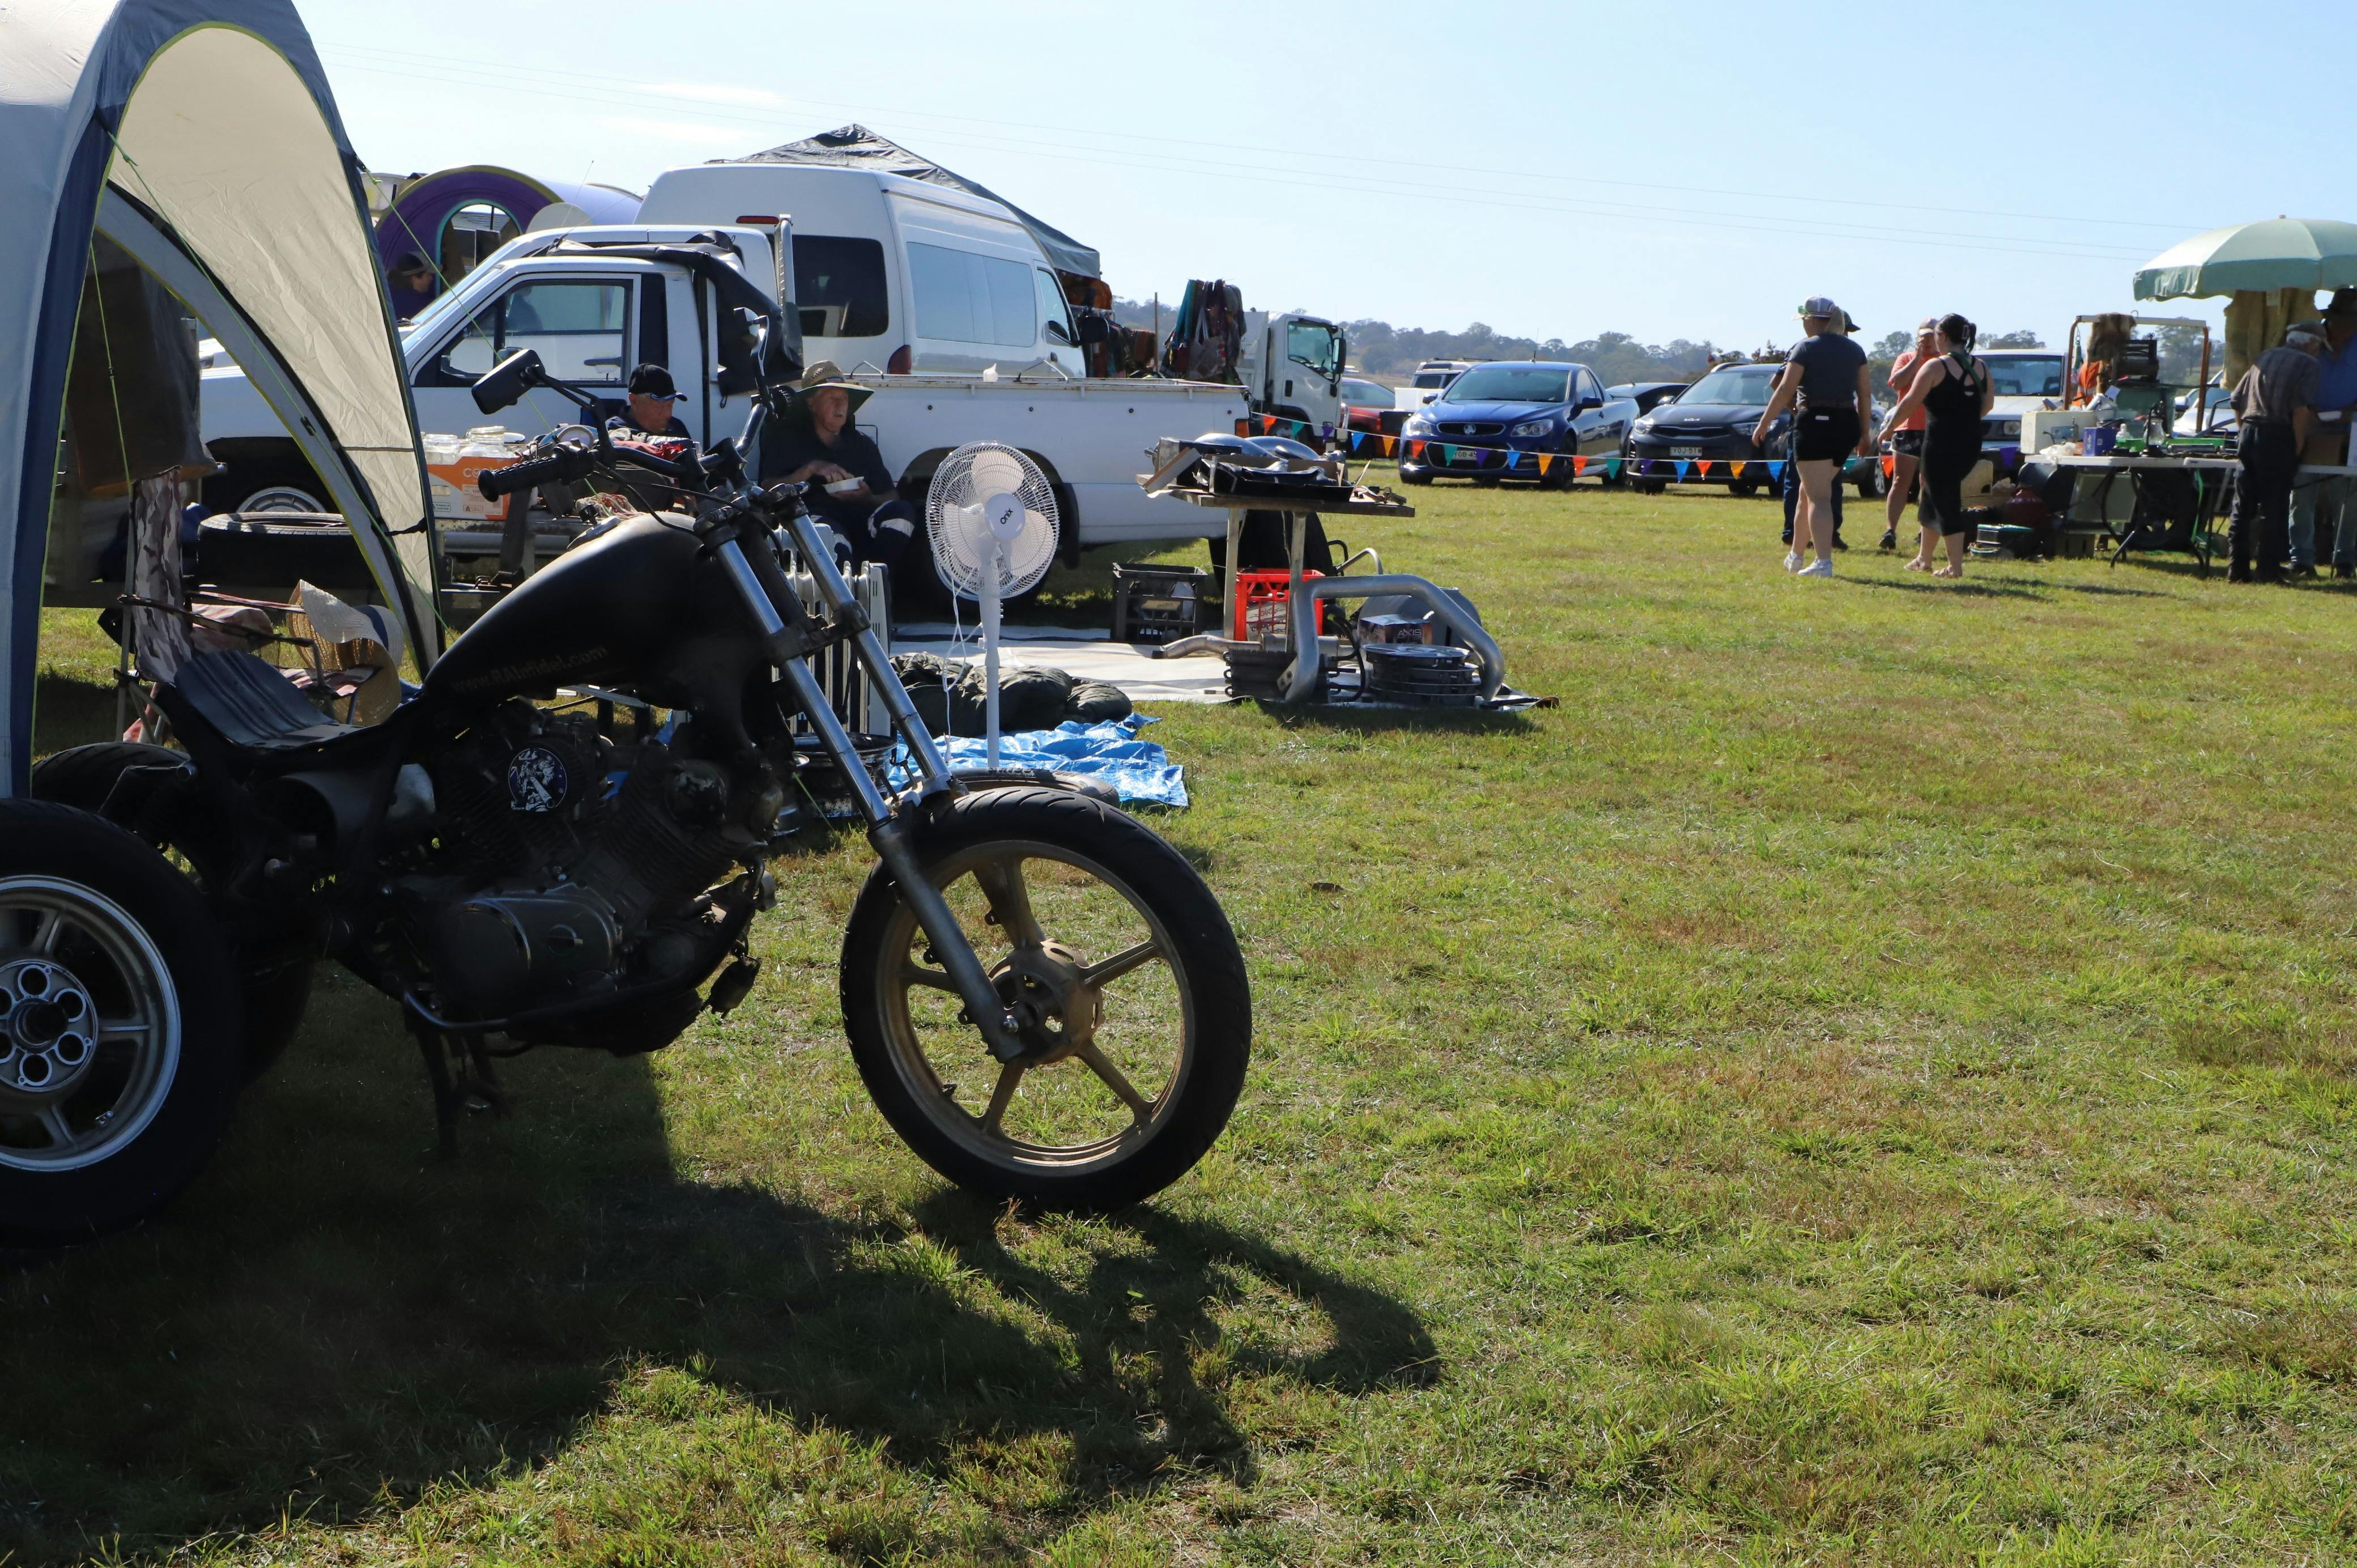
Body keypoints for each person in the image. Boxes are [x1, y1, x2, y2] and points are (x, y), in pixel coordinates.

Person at [1755, 296, 1872, 578]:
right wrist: (1865, 432)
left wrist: (1764, 423)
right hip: (1846, 423)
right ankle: (1796, 555)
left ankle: (1823, 562)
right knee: (1806, 493)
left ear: (1815, 320)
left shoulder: (1805, 347)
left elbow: (1784, 389)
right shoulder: (1855, 349)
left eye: (1806, 319)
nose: (1804, 325)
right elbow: (1865, 394)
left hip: (1815, 422)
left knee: (1819, 496)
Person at [759, 365, 918, 571]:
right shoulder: (789, 442)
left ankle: (875, 580)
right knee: (833, 537)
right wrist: (810, 469)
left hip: (862, 520)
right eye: (831, 398)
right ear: (812, 403)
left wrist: (867, 497)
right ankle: (845, 594)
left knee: (902, 513)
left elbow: (891, 495)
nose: (840, 405)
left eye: (843, 398)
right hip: (815, 519)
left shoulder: (861, 445)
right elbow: (767, 489)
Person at [1878, 314, 1991, 578]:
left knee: (1945, 500)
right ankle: (1923, 559)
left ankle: (1955, 566)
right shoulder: (1982, 367)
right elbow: (1987, 406)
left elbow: (1909, 403)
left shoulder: (1935, 367)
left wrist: (1889, 428)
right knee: (1930, 496)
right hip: (1970, 443)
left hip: (1940, 443)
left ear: (1942, 337)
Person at [2227, 323, 2324, 584]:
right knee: (2274, 505)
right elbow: (2300, 411)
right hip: (2278, 435)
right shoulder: (2308, 364)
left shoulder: (2265, 356)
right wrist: (2298, 446)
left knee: (2243, 505)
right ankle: (2268, 571)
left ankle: (2237, 570)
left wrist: (2243, 432)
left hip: (2249, 430)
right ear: (2312, 343)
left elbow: (2236, 400)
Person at [2295, 291, 2357, 577]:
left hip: (2350, 431)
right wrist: (2307, 408)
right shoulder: (2310, 345)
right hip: (2308, 428)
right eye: (2344, 321)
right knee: (2301, 496)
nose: (2348, 327)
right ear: (2330, 320)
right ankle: (2302, 561)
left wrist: (2351, 411)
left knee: (2348, 501)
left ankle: (2344, 562)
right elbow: (2293, 383)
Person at [1884, 319, 1938, 556]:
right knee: (1900, 481)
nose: (1927, 341)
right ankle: (1890, 531)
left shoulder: (1943, 362)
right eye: (1923, 336)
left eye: (1931, 336)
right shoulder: (1906, 358)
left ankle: (1923, 531)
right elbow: (1897, 384)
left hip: (1933, 429)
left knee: (1928, 483)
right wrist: (1917, 359)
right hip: (1906, 428)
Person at [609, 362, 691, 438]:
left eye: (670, 405)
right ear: (634, 401)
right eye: (658, 406)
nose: (668, 414)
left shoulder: (677, 427)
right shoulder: (614, 431)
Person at [386, 253, 437, 321]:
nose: (431, 278)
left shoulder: (387, 293)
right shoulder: (424, 308)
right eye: (428, 275)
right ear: (414, 278)